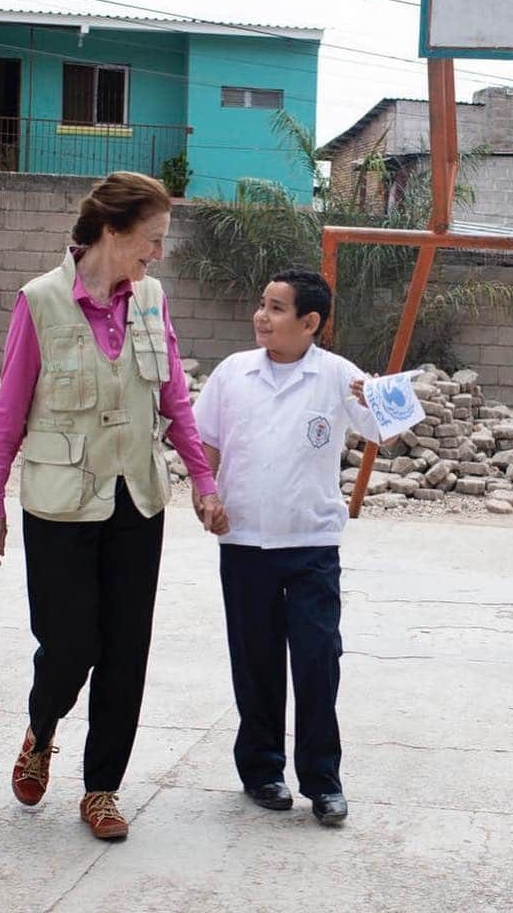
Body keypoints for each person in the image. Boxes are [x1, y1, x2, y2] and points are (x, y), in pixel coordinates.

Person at [0, 171, 228, 841]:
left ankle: (102, 790)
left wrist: (202, 481)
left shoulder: (151, 301)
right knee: (69, 644)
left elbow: (174, 397)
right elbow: (8, 413)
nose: (158, 253)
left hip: (136, 498)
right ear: (112, 232)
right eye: (152, 238)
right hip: (59, 500)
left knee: (125, 648)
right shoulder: (39, 302)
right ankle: (42, 726)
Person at [192, 268, 383, 826]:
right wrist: (204, 496)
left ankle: (323, 781)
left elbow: (385, 430)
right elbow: (205, 443)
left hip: (311, 546)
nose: (262, 316)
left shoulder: (337, 375)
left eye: (277, 309)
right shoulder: (233, 374)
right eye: (262, 304)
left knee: (317, 660)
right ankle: (263, 772)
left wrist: (376, 397)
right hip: (245, 543)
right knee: (255, 662)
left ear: (311, 322)